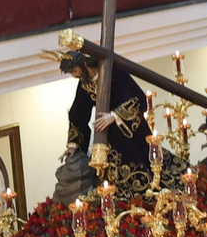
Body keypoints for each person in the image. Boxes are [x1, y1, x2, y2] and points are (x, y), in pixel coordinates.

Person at [58, 50, 153, 196]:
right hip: (107, 136)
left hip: (129, 132)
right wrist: (73, 144)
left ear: (84, 63)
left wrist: (114, 116)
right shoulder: (85, 83)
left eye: (75, 70)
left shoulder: (115, 73)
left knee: (138, 169)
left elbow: (138, 98)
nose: (75, 75)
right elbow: (78, 114)